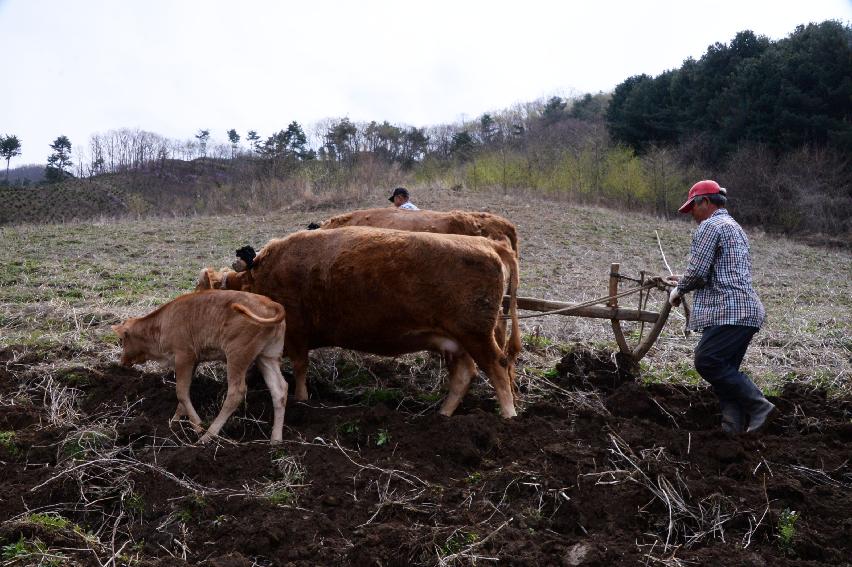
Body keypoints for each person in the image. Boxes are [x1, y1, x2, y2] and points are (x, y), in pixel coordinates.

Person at [669, 180, 776, 434]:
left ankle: (759, 406)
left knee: (707, 361)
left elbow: (696, 273)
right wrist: (681, 281)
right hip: (746, 311)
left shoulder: (711, 225)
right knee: (725, 373)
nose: (692, 216)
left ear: (705, 202)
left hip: (730, 310)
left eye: (692, 209)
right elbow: (716, 271)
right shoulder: (735, 227)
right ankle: (731, 427)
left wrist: (679, 289)